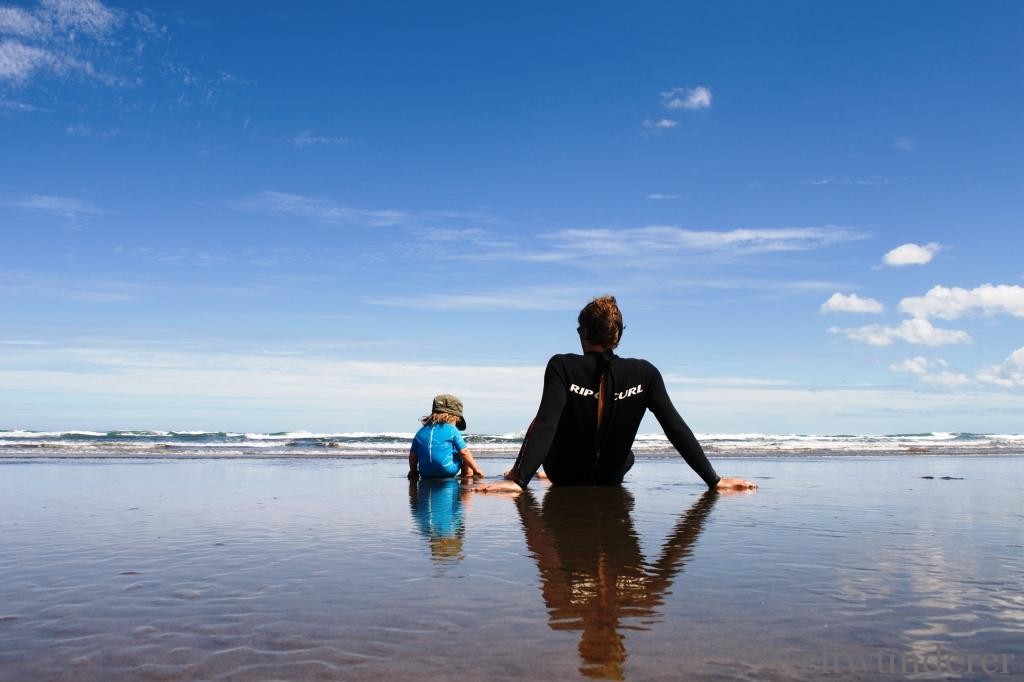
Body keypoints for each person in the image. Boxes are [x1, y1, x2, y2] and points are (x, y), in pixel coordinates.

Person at [476, 295, 756, 492]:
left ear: (583, 331)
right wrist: (714, 480)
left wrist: (518, 482)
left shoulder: (561, 366)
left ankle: (526, 472)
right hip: (610, 475)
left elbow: (546, 423)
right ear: (618, 335)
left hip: (565, 473)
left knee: (541, 422)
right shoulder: (645, 373)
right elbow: (675, 427)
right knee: (628, 456)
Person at [409, 394, 485, 479]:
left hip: (424, 473)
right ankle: (466, 478)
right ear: (454, 417)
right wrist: (476, 469)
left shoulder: (420, 431)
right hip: (447, 470)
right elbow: (464, 452)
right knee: (464, 454)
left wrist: (413, 471)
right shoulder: (452, 430)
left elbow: (413, 455)